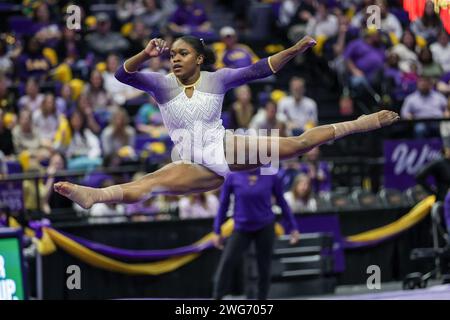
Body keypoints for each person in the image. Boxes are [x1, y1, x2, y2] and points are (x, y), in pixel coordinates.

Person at [54, 35, 399, 210]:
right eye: (172, 54)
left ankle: (360, 122)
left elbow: (259, 68)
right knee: (150, 184)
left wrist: (293, 50)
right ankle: (96, 196)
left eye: (182, 53)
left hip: (221, 145)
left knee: (296, 145)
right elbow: (121, 75)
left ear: (199, 58)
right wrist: (146, 54)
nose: (175, 58)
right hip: (191, 159)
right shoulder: (160, 84)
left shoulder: (216, 79)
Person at [212, 167, 300, 300]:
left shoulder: (270, 174)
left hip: (265, 227)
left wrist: (293, 227)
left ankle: (262, 301)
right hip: (241, 227)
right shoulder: (233, 175)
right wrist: (217, 230)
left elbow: (282, 202)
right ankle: (217, 297)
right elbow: (223, 204)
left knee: (264, 267)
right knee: (227, 262)